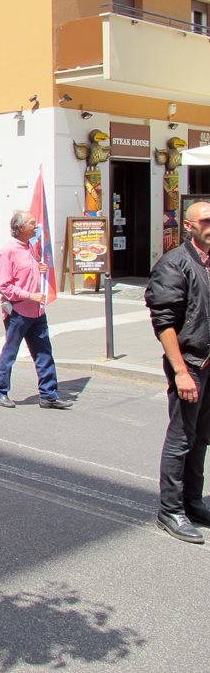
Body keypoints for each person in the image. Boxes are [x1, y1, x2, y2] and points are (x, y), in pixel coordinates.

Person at [145, 200, 210, 544]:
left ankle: (193, 501)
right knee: (181, 438)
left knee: (202, 436)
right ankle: (170, 510)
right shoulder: (175, 264)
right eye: (206, 220)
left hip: (208, 363)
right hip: (190, 364)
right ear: (188, 226)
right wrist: (181, 371)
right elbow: (164, 323)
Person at [0, 211, 72, 409]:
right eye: (32, 223)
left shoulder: (30, 247)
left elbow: (26, 273)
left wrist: (39, 268)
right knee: (10, 353)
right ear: (19, 229)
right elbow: (3, 285)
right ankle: (0, 391)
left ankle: (48, 394)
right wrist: (29, 295)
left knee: (44, 353)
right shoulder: (8, 251)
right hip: (18, 312)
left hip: (37, 311)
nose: (36, 227)